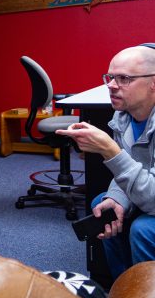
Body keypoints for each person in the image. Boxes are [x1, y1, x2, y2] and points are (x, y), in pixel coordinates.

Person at [57, 44, 155, 280]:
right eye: (110, 77)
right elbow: (128, 172)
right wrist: (117, 199)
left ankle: (144, 295)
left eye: (124, 78)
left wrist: (111, 152)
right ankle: (122, 286)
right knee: (105, 205)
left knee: (143, 229)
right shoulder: (122, 116)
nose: (111, 85)